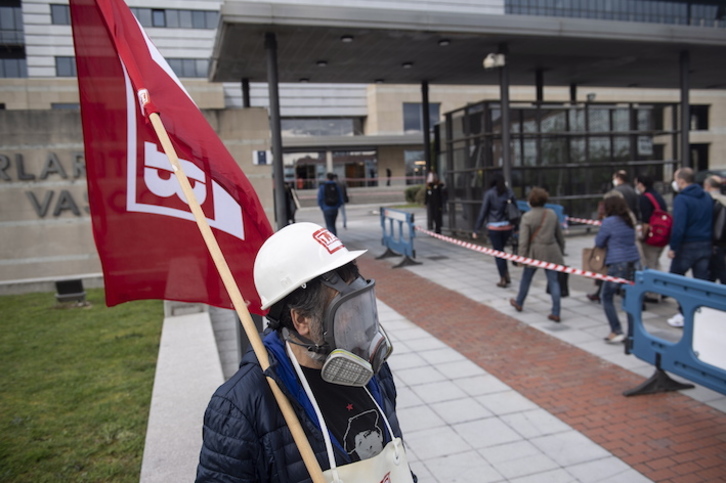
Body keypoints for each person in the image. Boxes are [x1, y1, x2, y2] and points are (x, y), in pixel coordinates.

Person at [196, 222, 415, 482]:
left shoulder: (373, 373)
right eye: (346, 310)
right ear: (301, 320)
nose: (360, 322)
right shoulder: (240, 409)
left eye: (361, 302)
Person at [509, 187, 565, 322]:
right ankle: (556, 312)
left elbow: (523, 240)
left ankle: (520, 302)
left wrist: (521, 257)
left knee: (526, 278)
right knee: (554, 281)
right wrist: (561, 251)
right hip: (552, 251)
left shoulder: (527, 217)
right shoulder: (551, 214)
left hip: (534, 252)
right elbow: (559, 236)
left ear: (531, 201)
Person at [667, 167, 713, 327]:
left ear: (681, 181)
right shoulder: (706, 196)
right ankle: (702, 313)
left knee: (675, 279)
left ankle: (684, 312)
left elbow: (679, 226)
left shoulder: (682, 199)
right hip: (705, 244)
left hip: (687, 246)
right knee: (701, 282)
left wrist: (673, 247)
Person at [595, 196, 642, 344]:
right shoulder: (628, 220)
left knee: (606, 296)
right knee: (629, 298)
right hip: (634, 261)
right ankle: (633, 334)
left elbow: (599, 242)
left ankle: (616, 330)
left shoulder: (609, 222)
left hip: (617, 264)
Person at [472, 174, 517, 288]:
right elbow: (515, 209)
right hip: (507, 227)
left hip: (494, 227)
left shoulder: (489, 194)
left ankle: (503, 277)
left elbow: (483, 212)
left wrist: (476, 229)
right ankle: (506, 275)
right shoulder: (509, 192)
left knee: (498, 253)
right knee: (502, 252)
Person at [634, 174, 669, 302]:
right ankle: (664, 289)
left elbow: (646, 222)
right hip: (663, 235)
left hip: (652, 237)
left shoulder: (644, 198)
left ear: (640, 184)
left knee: (650, 263)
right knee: (655, 262)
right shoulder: (658, 196)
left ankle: (654, 294)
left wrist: (642, 236)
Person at [704, 175, 726, 284]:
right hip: (721, 243)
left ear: (707, 186)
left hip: (716, 244)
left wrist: (714, 242)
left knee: (718, 273)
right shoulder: (723, 200)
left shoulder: (711, 201)